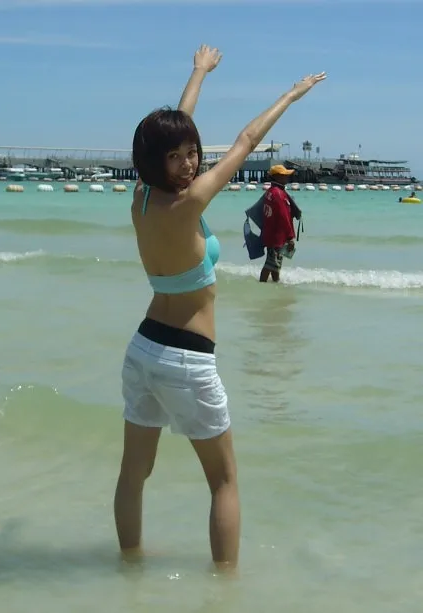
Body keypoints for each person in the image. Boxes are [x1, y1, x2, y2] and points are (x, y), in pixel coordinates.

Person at [114, 42, 326, 570]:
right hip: (187, 360)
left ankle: (129, 569)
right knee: (224, 481)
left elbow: (177, 125)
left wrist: (198, 72)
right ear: (155, 161)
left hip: (143, 351)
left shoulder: (142, 196)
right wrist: (291, 96)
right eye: (176, 157)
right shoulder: (190, 201)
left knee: (134, 472)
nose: (189, 162)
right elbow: (247, 140)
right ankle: (224, 592)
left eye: (192, 153)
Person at [259, 164, 298, 283]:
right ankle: (261, 285)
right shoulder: (279, 194)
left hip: (271, 234)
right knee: (270, 264)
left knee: (275, 263)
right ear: (277, 177)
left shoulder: (270, 192)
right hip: (277, 237)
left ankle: (276, 284)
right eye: (284, 175)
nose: (287, 177)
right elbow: (284, 217)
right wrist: (290, 238)